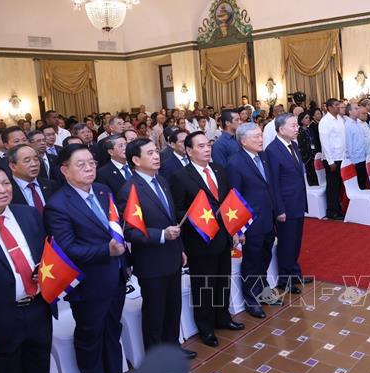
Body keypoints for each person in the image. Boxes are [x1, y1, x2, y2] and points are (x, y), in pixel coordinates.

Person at [45, 144, 128, 373]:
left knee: (113, 331)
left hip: (116, 276)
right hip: (89, 285)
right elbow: (67, 249)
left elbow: (114, 227)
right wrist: (106, 250)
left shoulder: (102, 190)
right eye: (81, 165)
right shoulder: (58, 205)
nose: (89, 168)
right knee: (90, 337)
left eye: (91, 162)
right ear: (65, 170)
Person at [0, 163, 55, 373]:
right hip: (0, 319)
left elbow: (47, 254)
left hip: (38, 310)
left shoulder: (28, 214)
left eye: (6, 183)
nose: (3, 190)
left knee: (40, 370)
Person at [117, 139, 194, 357]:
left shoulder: (161, 180)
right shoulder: (129, 190)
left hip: (171, 255)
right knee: (154, 312)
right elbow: (129, 232)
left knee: (173, 307)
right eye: (149, 153)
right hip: (151, 261)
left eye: (156, 151)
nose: (156, 156)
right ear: (135, 160)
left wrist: (179, 248)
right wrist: (161, 235)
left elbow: (170, 219)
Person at [171, 132, 244, 346]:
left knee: (223, 280)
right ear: (189, 150)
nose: (207, 149)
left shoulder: (219, 170)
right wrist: (199, 219)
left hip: (223, 235)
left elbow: (229, 200)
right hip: (200, 239)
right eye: (201, 146)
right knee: (204, 284)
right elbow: (177, 210)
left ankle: (223, 318)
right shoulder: (180, 176)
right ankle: (205, 327)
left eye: (208, 145)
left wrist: (236, 230)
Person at [226, 123, 280, 319]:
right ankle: (251, 299)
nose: (260, 139)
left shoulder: (263, 157)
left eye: (260, 135)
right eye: (256, 136)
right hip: (250, 223)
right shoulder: (235, 163)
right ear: (243, 141)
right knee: (251, 262)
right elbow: (234, 197)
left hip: (267, 218)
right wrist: (238, 229)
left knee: (265, 257)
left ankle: (264, 291)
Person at [266, 114, 312, 295]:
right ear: (281, 129)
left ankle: (295, 272)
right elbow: (274, 183)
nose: (297, 128)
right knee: (286, 243)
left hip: (297, 201)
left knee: (296, 241)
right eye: (293, 126)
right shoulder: (272, 150)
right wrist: (279, 209)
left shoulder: (292, 145)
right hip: (285, 205)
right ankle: (285, 280)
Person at [7, 144, 58, 211]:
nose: (34, 164)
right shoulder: (6, 191)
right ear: (13, 166)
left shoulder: (51, 185)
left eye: (36, 159)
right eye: (27, 161)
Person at [318, 99, 346, 220]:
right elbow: (325, 143)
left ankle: (337, 208)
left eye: (338, 105)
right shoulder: (325, 121)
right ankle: (331, 211)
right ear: (329, 108)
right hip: (332, 159)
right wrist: (330, 161)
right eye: (335, 105)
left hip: (341, 157)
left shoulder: (340, 119)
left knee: (338, 185)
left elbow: (342, 139)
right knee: (332, 185)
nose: (338, 107)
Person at [344, 102, 368, 190]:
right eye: (356, 109)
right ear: (350, 111)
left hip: (363, 157)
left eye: (358, 108)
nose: (358, 111)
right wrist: (351, 161)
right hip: (355, 160)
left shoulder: (358, 122)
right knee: (357, 184)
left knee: (363, 182)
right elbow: (348, 144)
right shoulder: (347, 125)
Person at [297, 112, 318, 186]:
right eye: (306, 118)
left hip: (313, 155)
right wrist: (305, 156)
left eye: (308, 118)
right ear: (301, 120)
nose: (308, 119)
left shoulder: (310, 130)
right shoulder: (299, 132)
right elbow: (300, 145)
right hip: (306, 157)